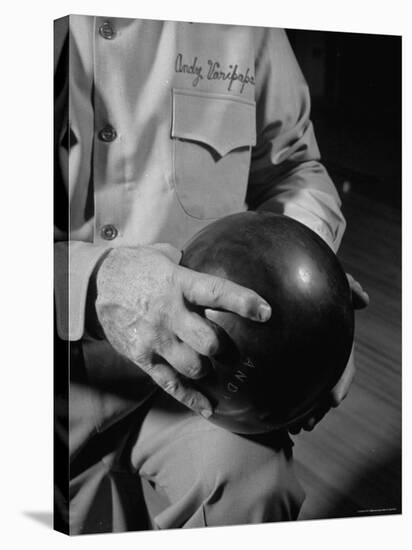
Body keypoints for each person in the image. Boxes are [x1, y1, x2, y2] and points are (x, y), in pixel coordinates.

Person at [54, 15, 368, 534]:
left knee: (254, 483)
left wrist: (309, 301)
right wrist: (90, 282)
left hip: (201, 375)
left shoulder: (248, 22)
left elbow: (294, 168)